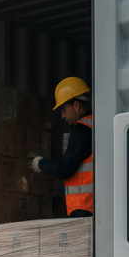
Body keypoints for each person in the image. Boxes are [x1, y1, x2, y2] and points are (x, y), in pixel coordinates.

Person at [31, 77, 93, 218]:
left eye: (64, 109)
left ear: (76, 105)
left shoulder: (82, 130)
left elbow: (65, 169)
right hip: (94, 206)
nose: (62, 115)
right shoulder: (95, 125)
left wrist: (41, 163)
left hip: (83, 207)